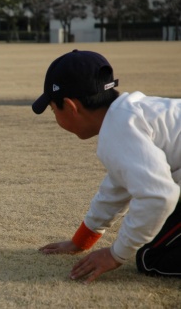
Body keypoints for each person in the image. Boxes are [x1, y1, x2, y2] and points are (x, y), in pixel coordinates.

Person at [32, 49, 181, 283]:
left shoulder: (119, 128)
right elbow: (118, 185)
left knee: (151, 258)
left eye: (53, 109)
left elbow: (159, 196)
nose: (55, 116)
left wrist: (115, 255)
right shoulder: (128, 112)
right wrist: (81, 241)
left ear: (71, 106)